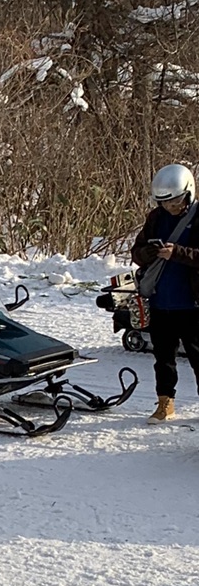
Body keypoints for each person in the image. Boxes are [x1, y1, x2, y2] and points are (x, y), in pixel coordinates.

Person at [130, 162, 199, 422]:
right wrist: (145, 254)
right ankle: (165, 403)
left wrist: (177, 253)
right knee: (163, 359)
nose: (170, 207)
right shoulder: (156, 218)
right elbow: (136, 251)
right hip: (161, 302)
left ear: (188, 193)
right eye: (165, 203)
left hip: (192, 305)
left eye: (175, 202)